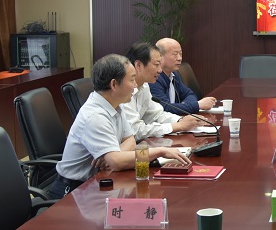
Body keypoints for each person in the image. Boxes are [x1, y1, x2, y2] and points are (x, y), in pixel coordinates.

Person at [49, 54, 191, 199]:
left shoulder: (115, 105)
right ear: (114, 84)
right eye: (132, 80)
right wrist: (160, 151)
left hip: (99, 182)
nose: (135, 85)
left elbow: (130, 139)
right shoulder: (95, 116)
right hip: (73, 191)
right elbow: (117, 163)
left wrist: (115, 155)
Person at [121, 42, 201, 141]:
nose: (160, 70)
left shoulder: (144, 86)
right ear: (138, 65)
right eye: (156, 65)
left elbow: (156, 115)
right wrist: (177, 126)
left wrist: (181, 120)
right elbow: (135, 131)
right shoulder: (123, 90)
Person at [150, 38, 216, 114]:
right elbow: (165, 108)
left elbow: (190, 94)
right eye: (175, 54)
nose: (179, 58)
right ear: (160, 56)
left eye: (180, 54)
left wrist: (185, 106)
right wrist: (197, 105)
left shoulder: (174, 75)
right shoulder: (154, 78)